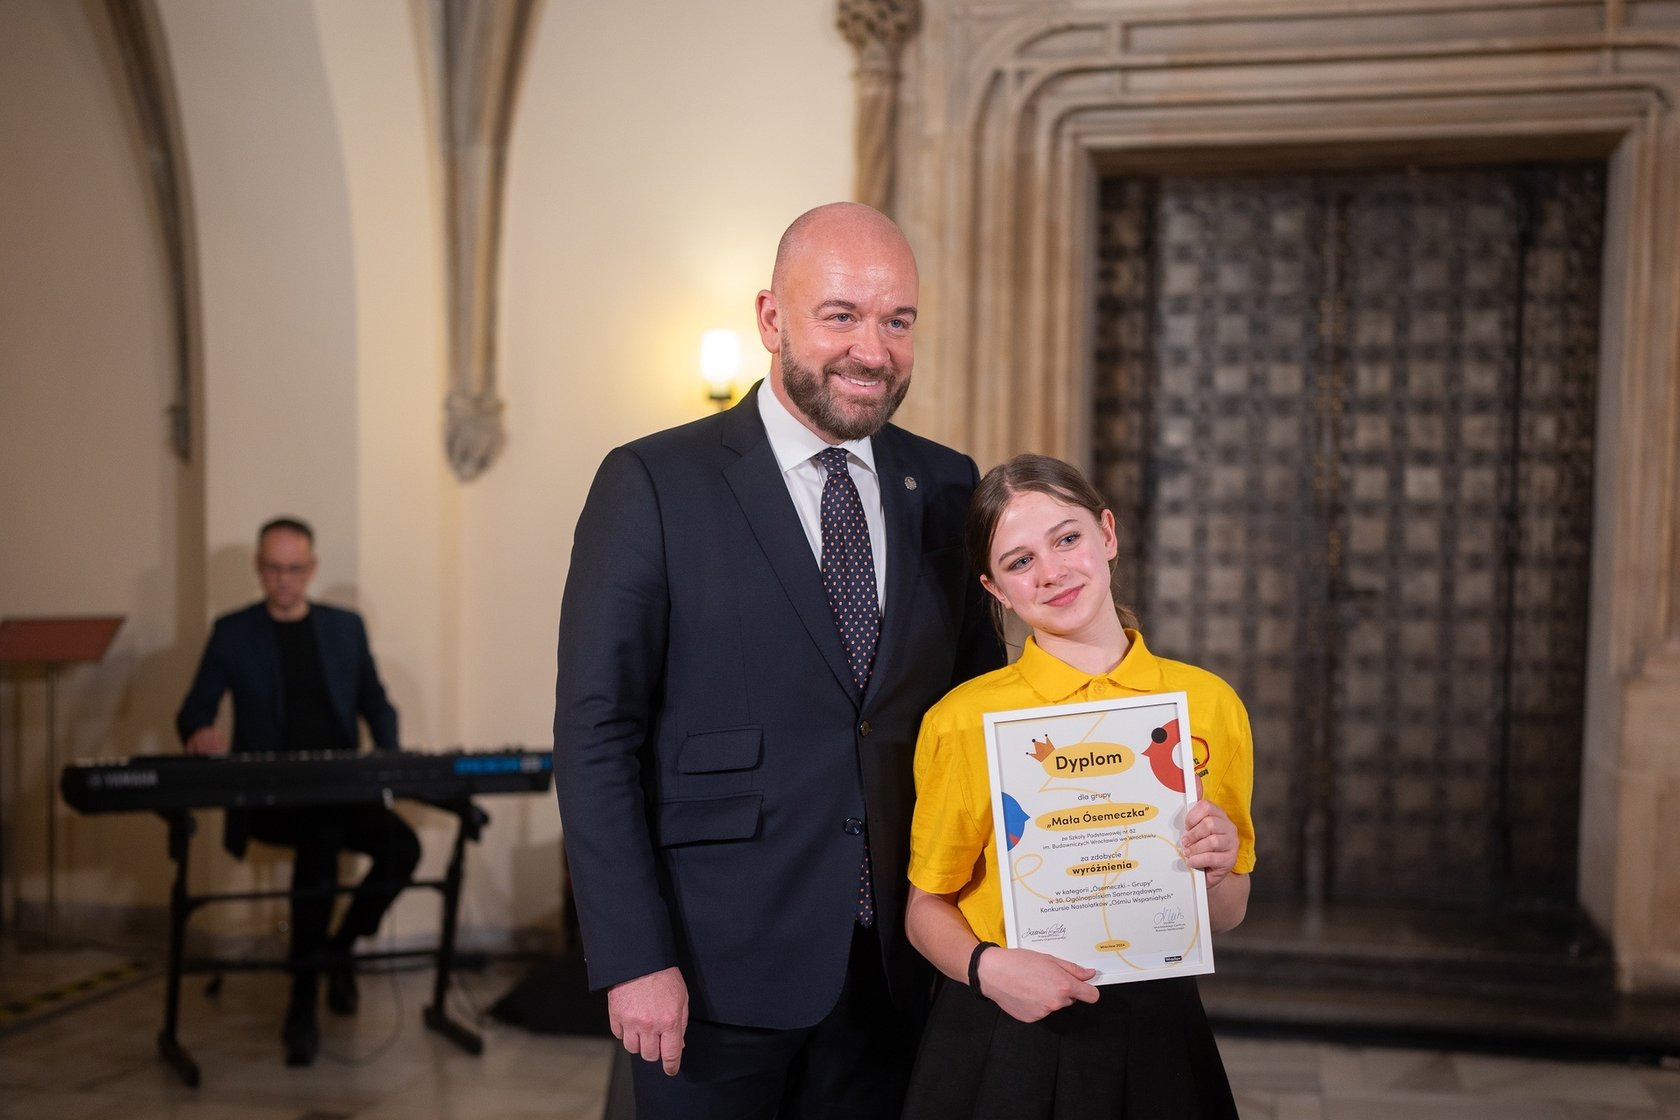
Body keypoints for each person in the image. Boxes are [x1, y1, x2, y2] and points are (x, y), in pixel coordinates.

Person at [553, 202, 1003, 1118]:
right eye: (841, 315)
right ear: (771, 318)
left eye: (898, 321)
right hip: (711, 970)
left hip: (899, 969)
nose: (873, 350)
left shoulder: (946, 483)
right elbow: (596, 735)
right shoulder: (652, 483)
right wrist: (634, 956)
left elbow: (980, 713)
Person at [902, 454, 1254, 1119]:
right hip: (1005, 1031)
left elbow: (1230, 911)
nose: (1052, 572)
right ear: (995, 588)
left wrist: (1218, 867)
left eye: (1067, 538)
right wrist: (987, 968)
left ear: (1107, 534)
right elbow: (925, 908)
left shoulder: (1206, 704)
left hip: (1157, 1030)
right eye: (1020, 561)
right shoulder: (963, 719)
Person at [176, 516, 420, 1068]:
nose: (283, 580)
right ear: (258, 568)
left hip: (342, 789)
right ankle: (303, 999)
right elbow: (194, 709)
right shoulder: (233, 631)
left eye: (294, 569)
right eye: (273, 569)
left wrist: (389, 760)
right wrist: (200, 732)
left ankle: (336, 950)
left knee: (404, 848)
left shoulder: (344, 628)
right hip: (271, 798)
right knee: (319, 834)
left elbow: (376, 703)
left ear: (311, 569)